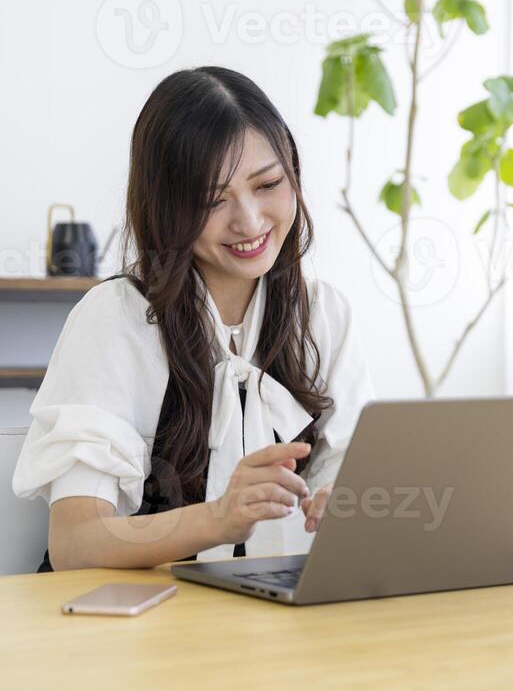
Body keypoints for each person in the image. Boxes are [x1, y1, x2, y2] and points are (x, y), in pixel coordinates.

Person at [12, 66, 376, 570]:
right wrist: (219, 517)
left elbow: (349, 468)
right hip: (123, 627)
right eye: (212, 199)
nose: (249, 222)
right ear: (166, 207)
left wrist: (345, 502)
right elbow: (77, 543)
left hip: (259, 622)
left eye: (268, 184)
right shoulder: (114, 319)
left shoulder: (324, 315)